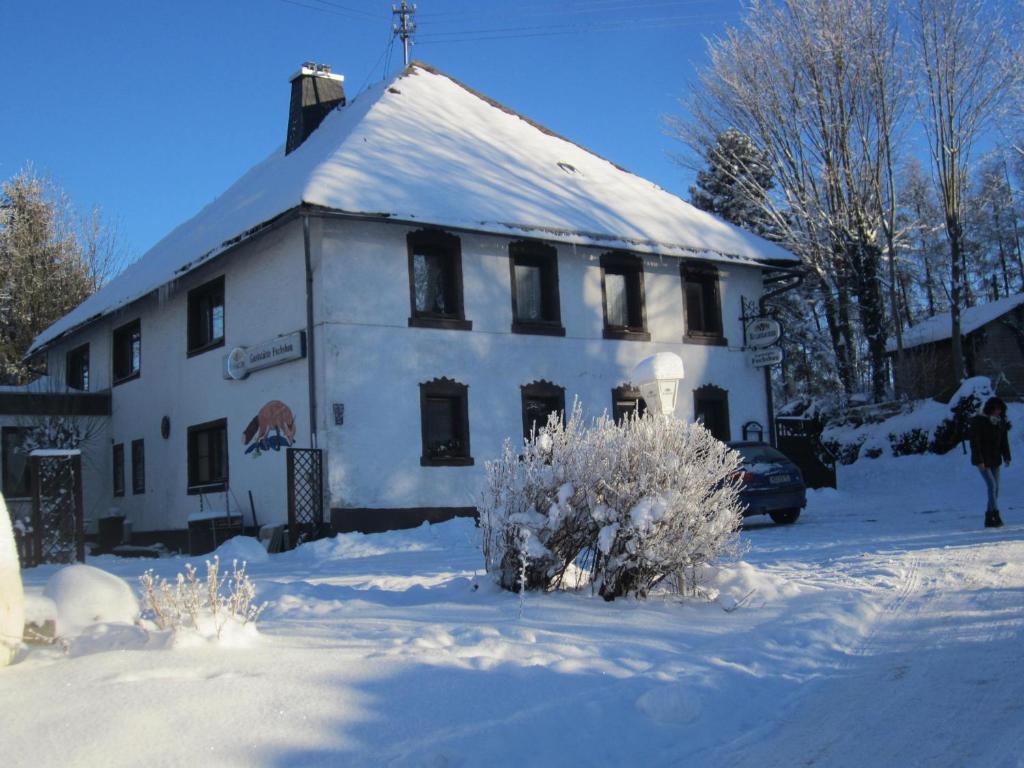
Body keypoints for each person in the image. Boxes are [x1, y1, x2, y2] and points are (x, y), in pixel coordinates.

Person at [969, 396, 1012, 528]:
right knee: (992, 486)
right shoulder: (980, 422)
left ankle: (989, 517)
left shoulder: (1001, 423)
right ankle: (995, 515)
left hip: (995, 459)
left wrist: (1007, 456)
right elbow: (975, 443)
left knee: (996, 488)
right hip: (982, 460)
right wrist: (979, 460)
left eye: (999, 409)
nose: (997, 412)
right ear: (990, 409)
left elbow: (1004, 441)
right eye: (995, 409)